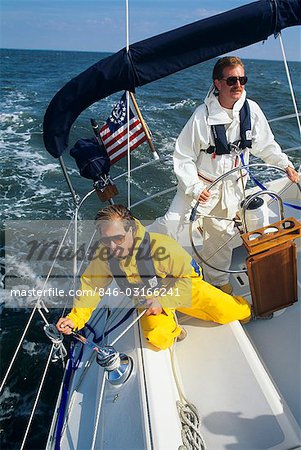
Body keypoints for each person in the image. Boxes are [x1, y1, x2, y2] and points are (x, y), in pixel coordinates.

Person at [149, 56, 299, 294]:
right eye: (231, 80)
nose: (238, 85)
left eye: (242, 79)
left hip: (233, 188)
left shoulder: (251, 111)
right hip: (200, 187)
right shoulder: (202, 116)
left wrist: (285, 165)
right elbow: (182, 156)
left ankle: (218, 284)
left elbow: (266, 145)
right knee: (171, 225)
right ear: (218, 83)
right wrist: (195, 188)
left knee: (221, 238)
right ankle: (135, 250)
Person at [56, 204, 251, 350]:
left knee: (230, 312)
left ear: (131, 229)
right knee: (158, 338)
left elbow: (190, 278)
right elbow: (91, 285)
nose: (112, 247)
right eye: (106, 240)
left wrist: (164, 301)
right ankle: (174, 328)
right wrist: (75, 318)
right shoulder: (105, 255)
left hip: (182, 289)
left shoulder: (162, 247)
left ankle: (245, 308)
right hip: (147, 300)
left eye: (118, 238)